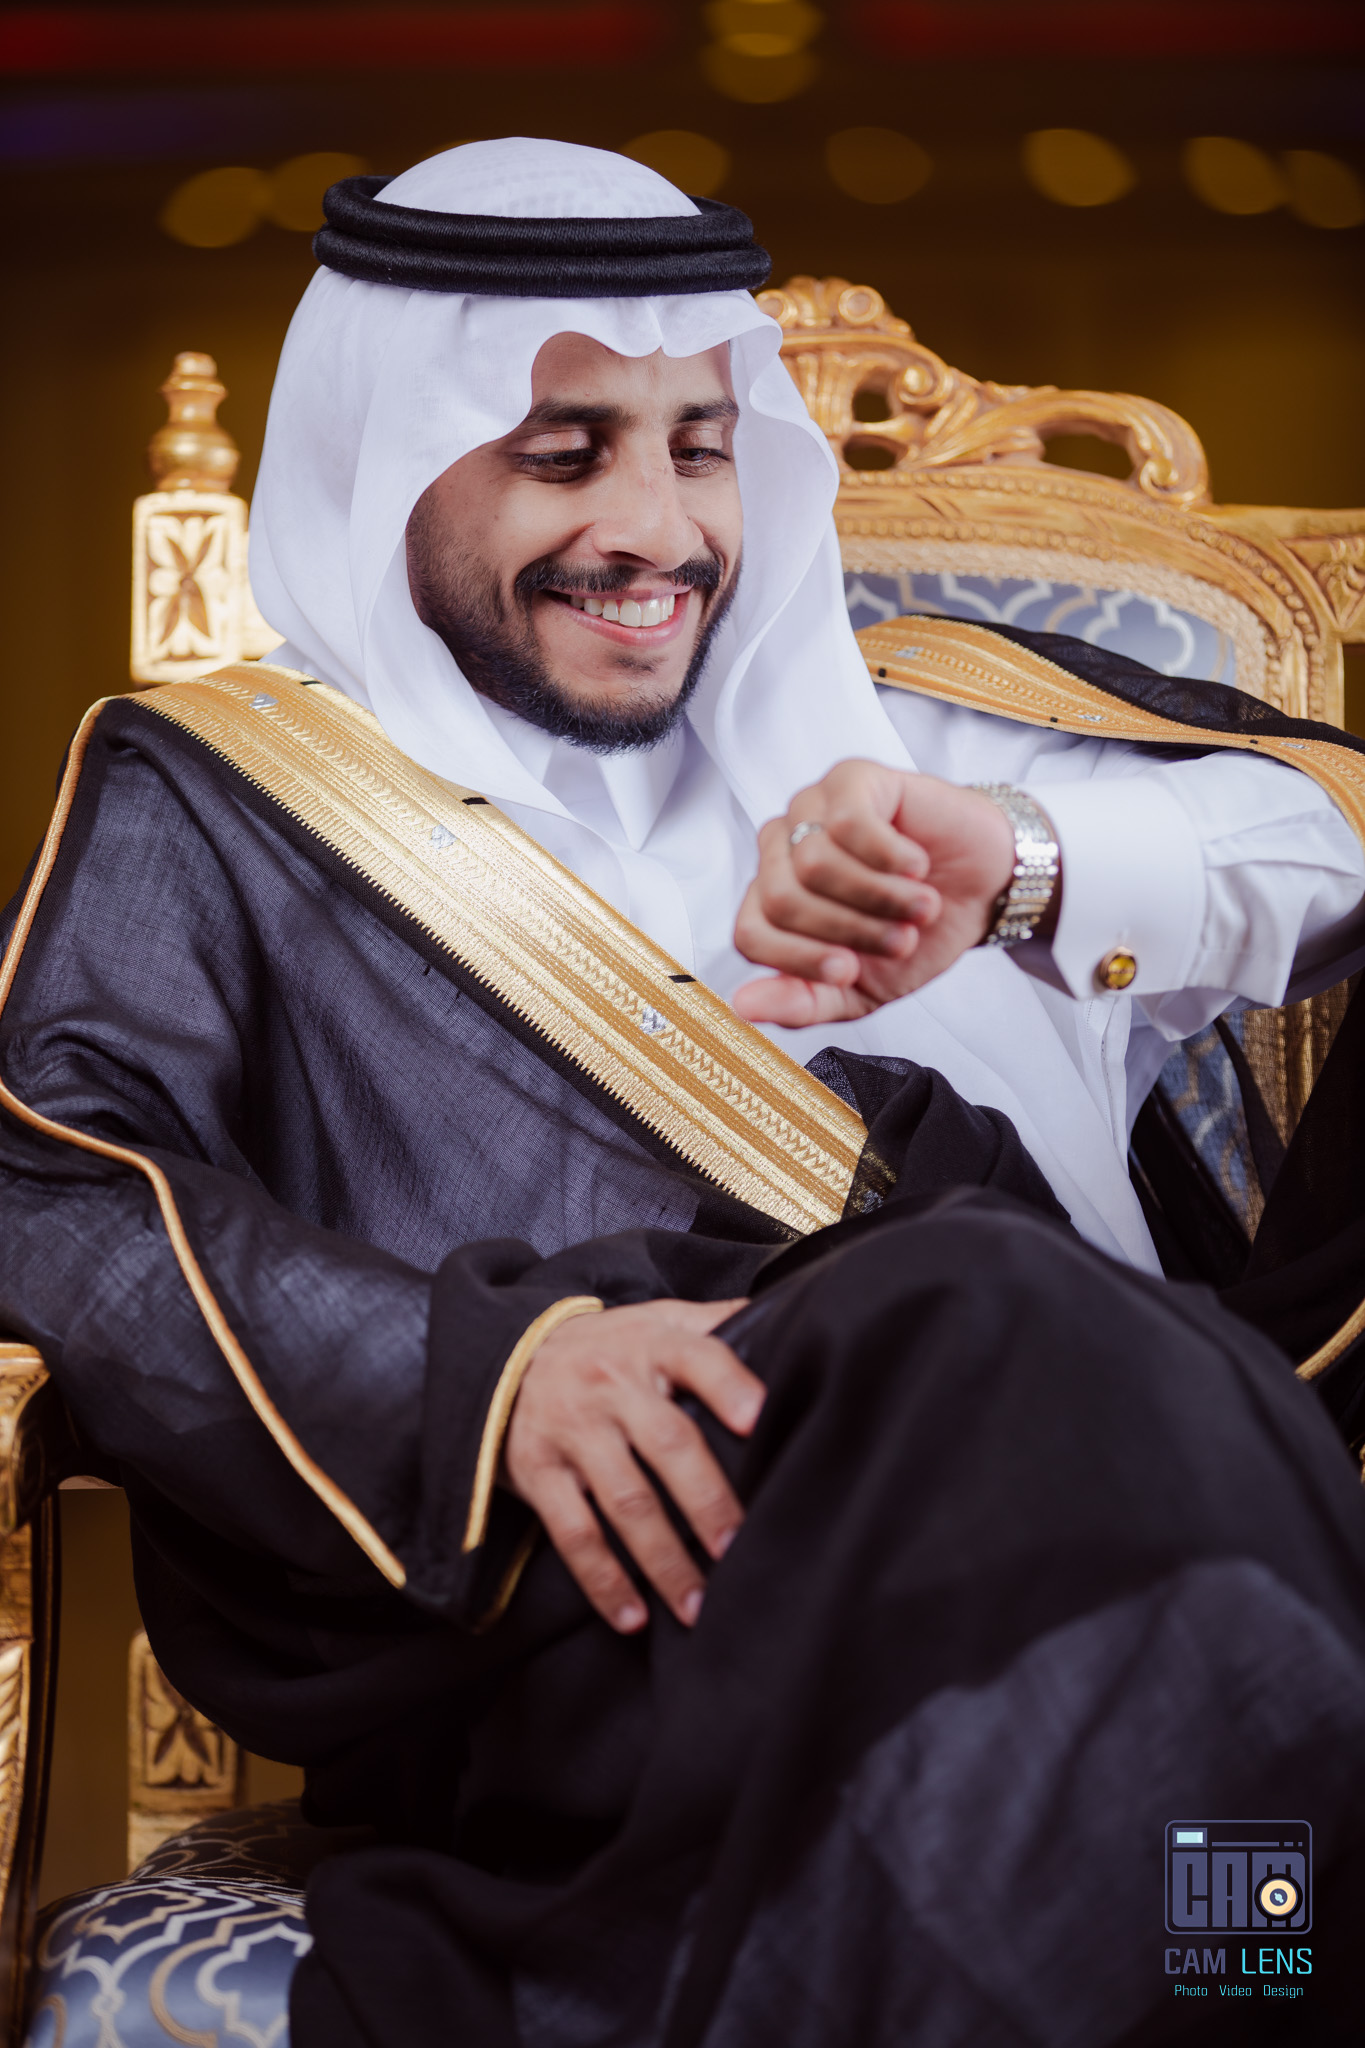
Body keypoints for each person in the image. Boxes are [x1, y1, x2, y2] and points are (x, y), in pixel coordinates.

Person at [5, 139, 1365, 2044]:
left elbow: (1328, 847)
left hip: (1141, 1489)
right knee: (988, 1305)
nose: (655, 529)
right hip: (643, 1590)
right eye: (563, 455)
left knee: (1069, 1406)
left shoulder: (922, 715)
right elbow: (58, 1184)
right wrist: (490, 1378)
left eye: (700, 448)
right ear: (392, 463)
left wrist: (1021, 863)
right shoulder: (227, 801)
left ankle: (1238, 1935)